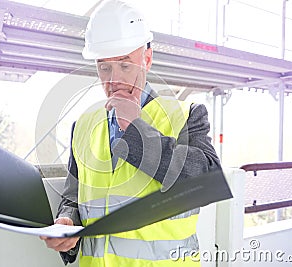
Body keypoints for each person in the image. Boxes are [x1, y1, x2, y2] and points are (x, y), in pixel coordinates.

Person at [40, 0, 221, 266]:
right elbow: (73, 197)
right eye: (104, 67)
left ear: (146, 59)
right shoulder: (83, 126)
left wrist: (135, 129)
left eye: (125, 65)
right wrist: (67, 223)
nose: (114, 79)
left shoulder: (185, 115)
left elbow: (208, 182)